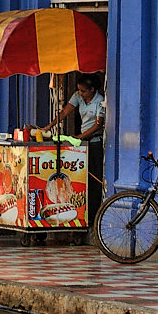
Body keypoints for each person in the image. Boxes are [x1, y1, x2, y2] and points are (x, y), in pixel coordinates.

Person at [39, 73, 106, 213]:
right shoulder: (77, 96)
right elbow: (64, 112)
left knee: (94, 178)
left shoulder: (100, 101)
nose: (80, 93)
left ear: (92, 89)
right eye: (79, 90)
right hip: (82, 143)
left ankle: (94, 211)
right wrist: (49, 127)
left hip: (94, 142)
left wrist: (80, 137)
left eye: (83, 91)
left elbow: (97, 125)